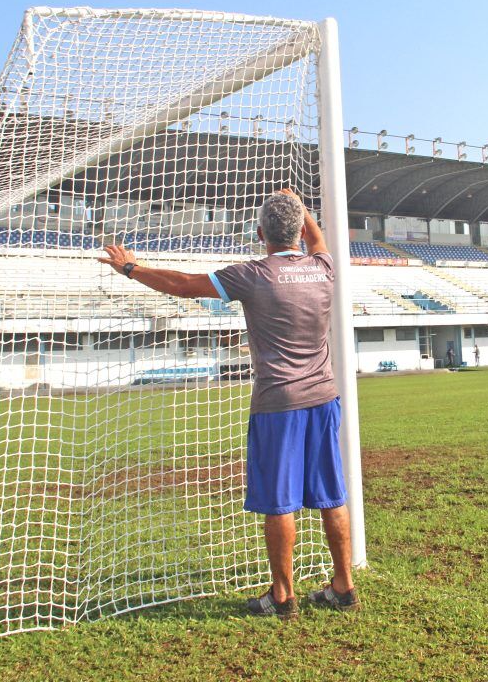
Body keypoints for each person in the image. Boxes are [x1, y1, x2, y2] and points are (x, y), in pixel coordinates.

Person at [98, 189, 358, 620]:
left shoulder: (253, 275)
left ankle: (281, 596)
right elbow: (318, 240)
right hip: (324, 399)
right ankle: (344, 586)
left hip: (279, 404)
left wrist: (130, 267)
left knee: (280, 502)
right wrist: (301, 207)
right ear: (298, 230)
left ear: (259, 234)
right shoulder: (323, 267)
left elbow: (182, 285)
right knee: (333, 496)